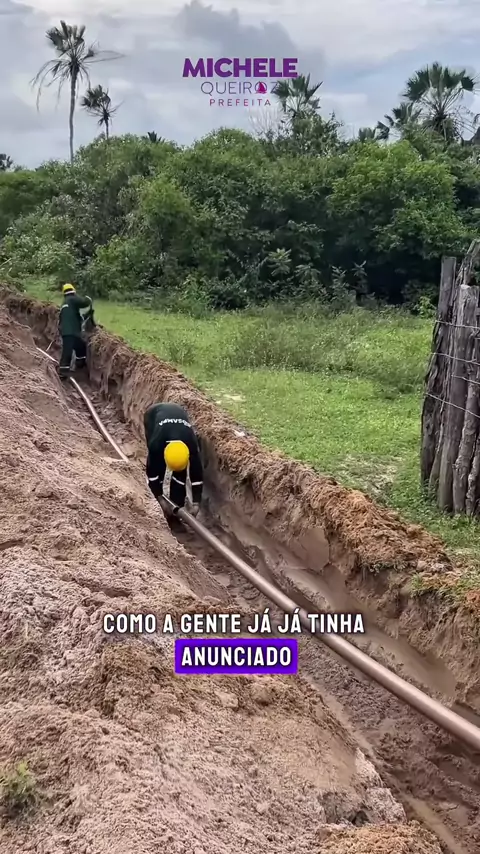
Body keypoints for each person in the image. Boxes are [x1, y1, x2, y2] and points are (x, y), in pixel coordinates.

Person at [144, 402, 203, 517]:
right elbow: (152, 474)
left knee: (180, 475)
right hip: (153, 414)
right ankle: (162, 504)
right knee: (158, 465)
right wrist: (159, 498)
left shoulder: (191, 444)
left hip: (178, 410)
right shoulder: (156, 444)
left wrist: (196, 503)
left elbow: (197, 475)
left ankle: (177, 504)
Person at [58, 284, 95, 378]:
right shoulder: (72, 299)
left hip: (67, 331)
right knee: (68, 351)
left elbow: (74, 317)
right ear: (73, 291)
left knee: (80, 346)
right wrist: (89, 298)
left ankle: (80, 363)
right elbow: (84, 302)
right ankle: (63, 371)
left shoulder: (65, 303)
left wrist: (86, 316)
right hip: (71, 332)